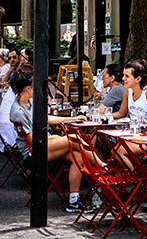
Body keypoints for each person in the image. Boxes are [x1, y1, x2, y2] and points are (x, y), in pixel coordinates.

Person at [9, 70, 89, 213]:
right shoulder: (18, 111)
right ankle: (103, 167)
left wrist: (72, 119)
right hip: (33, 152)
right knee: (75, 139)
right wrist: (54, 139)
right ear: (28, 88)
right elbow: (32, 140)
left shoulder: (29, 102)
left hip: (43, 144)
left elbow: (46, 118)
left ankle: (73, 201)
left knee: (78, 157)